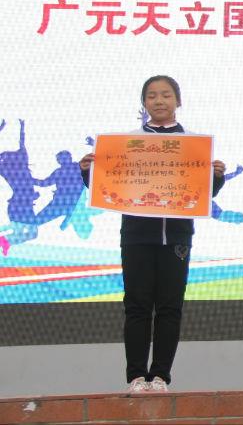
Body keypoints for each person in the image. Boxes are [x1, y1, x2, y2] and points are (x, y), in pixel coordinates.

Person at [80, 75, 227, 393]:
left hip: (176, 238)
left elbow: (204, 194)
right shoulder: (126, 144)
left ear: (178, 101)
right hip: (136, 236)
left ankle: (161, 376)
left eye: (166, 95)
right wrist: (87, 172)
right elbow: (107, 187)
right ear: (144, 103)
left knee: (170, 307)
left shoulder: (194, 145)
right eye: (152, 96)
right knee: (137, 306)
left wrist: (217, 177)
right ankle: (136, 376)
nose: (159, 101)